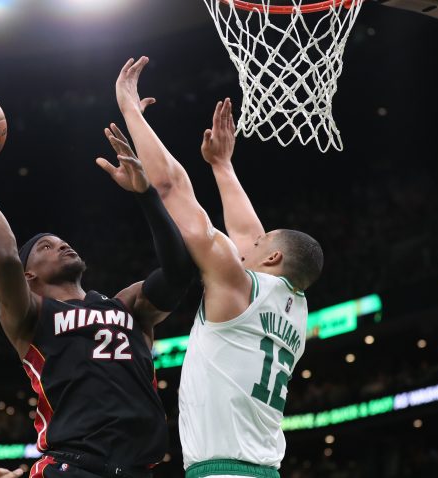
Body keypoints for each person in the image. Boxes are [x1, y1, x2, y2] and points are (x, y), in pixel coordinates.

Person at [0, 119, 194, 478]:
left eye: (61, 240)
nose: (62, 244)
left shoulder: (126, 306)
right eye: (45, 246)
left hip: (139, 470)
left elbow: (179, 271)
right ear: (28, 275)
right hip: (73, 466)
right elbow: (5, 257)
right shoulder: (31, 315)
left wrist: (145, 193)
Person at [114, 57, 324, 478]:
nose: (250, 242)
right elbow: (249, 235)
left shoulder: (238, 285)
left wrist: (130, 110)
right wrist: (222, 166)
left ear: (272, 258)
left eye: (262, 243)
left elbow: (171, 186)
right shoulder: (294, 310)